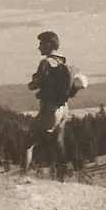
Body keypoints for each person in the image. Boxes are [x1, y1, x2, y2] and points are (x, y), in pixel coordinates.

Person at [27, 31, 70, 182]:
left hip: (51, 109)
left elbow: (35, 84)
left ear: (49, 45)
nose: (39, 47)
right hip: (64, 108)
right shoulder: (62, 61)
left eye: (41, 44)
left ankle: (24, 176)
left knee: (28, 141)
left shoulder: (45, 63)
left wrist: (32, 83)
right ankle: (62, 178)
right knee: (58, 142)